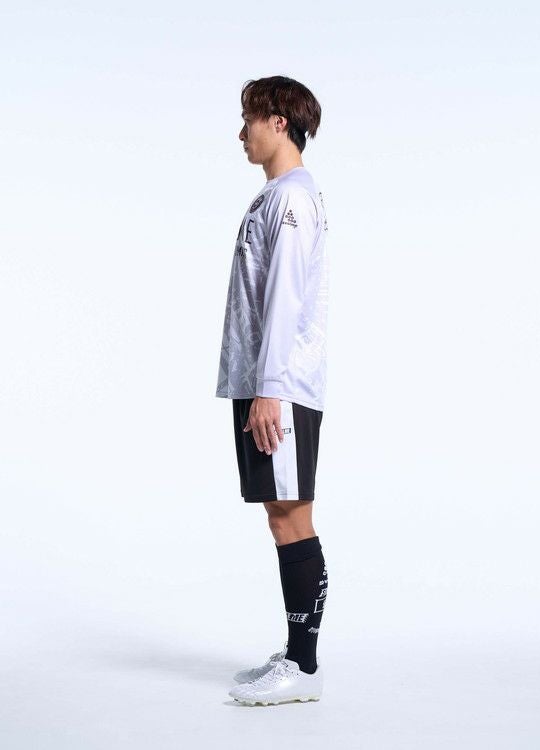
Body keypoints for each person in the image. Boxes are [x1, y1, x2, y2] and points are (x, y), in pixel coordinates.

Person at [215, 75, 329, 706]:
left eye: (249, 119)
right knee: (281, 514)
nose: (242, 132)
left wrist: (269, 390)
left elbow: (285, 298)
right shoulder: (279, 196)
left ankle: (303, 669)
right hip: (268, 383)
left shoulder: (291, 199)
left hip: (278, 388)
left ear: (279, 122)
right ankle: (296, 655)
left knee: (290, 516)